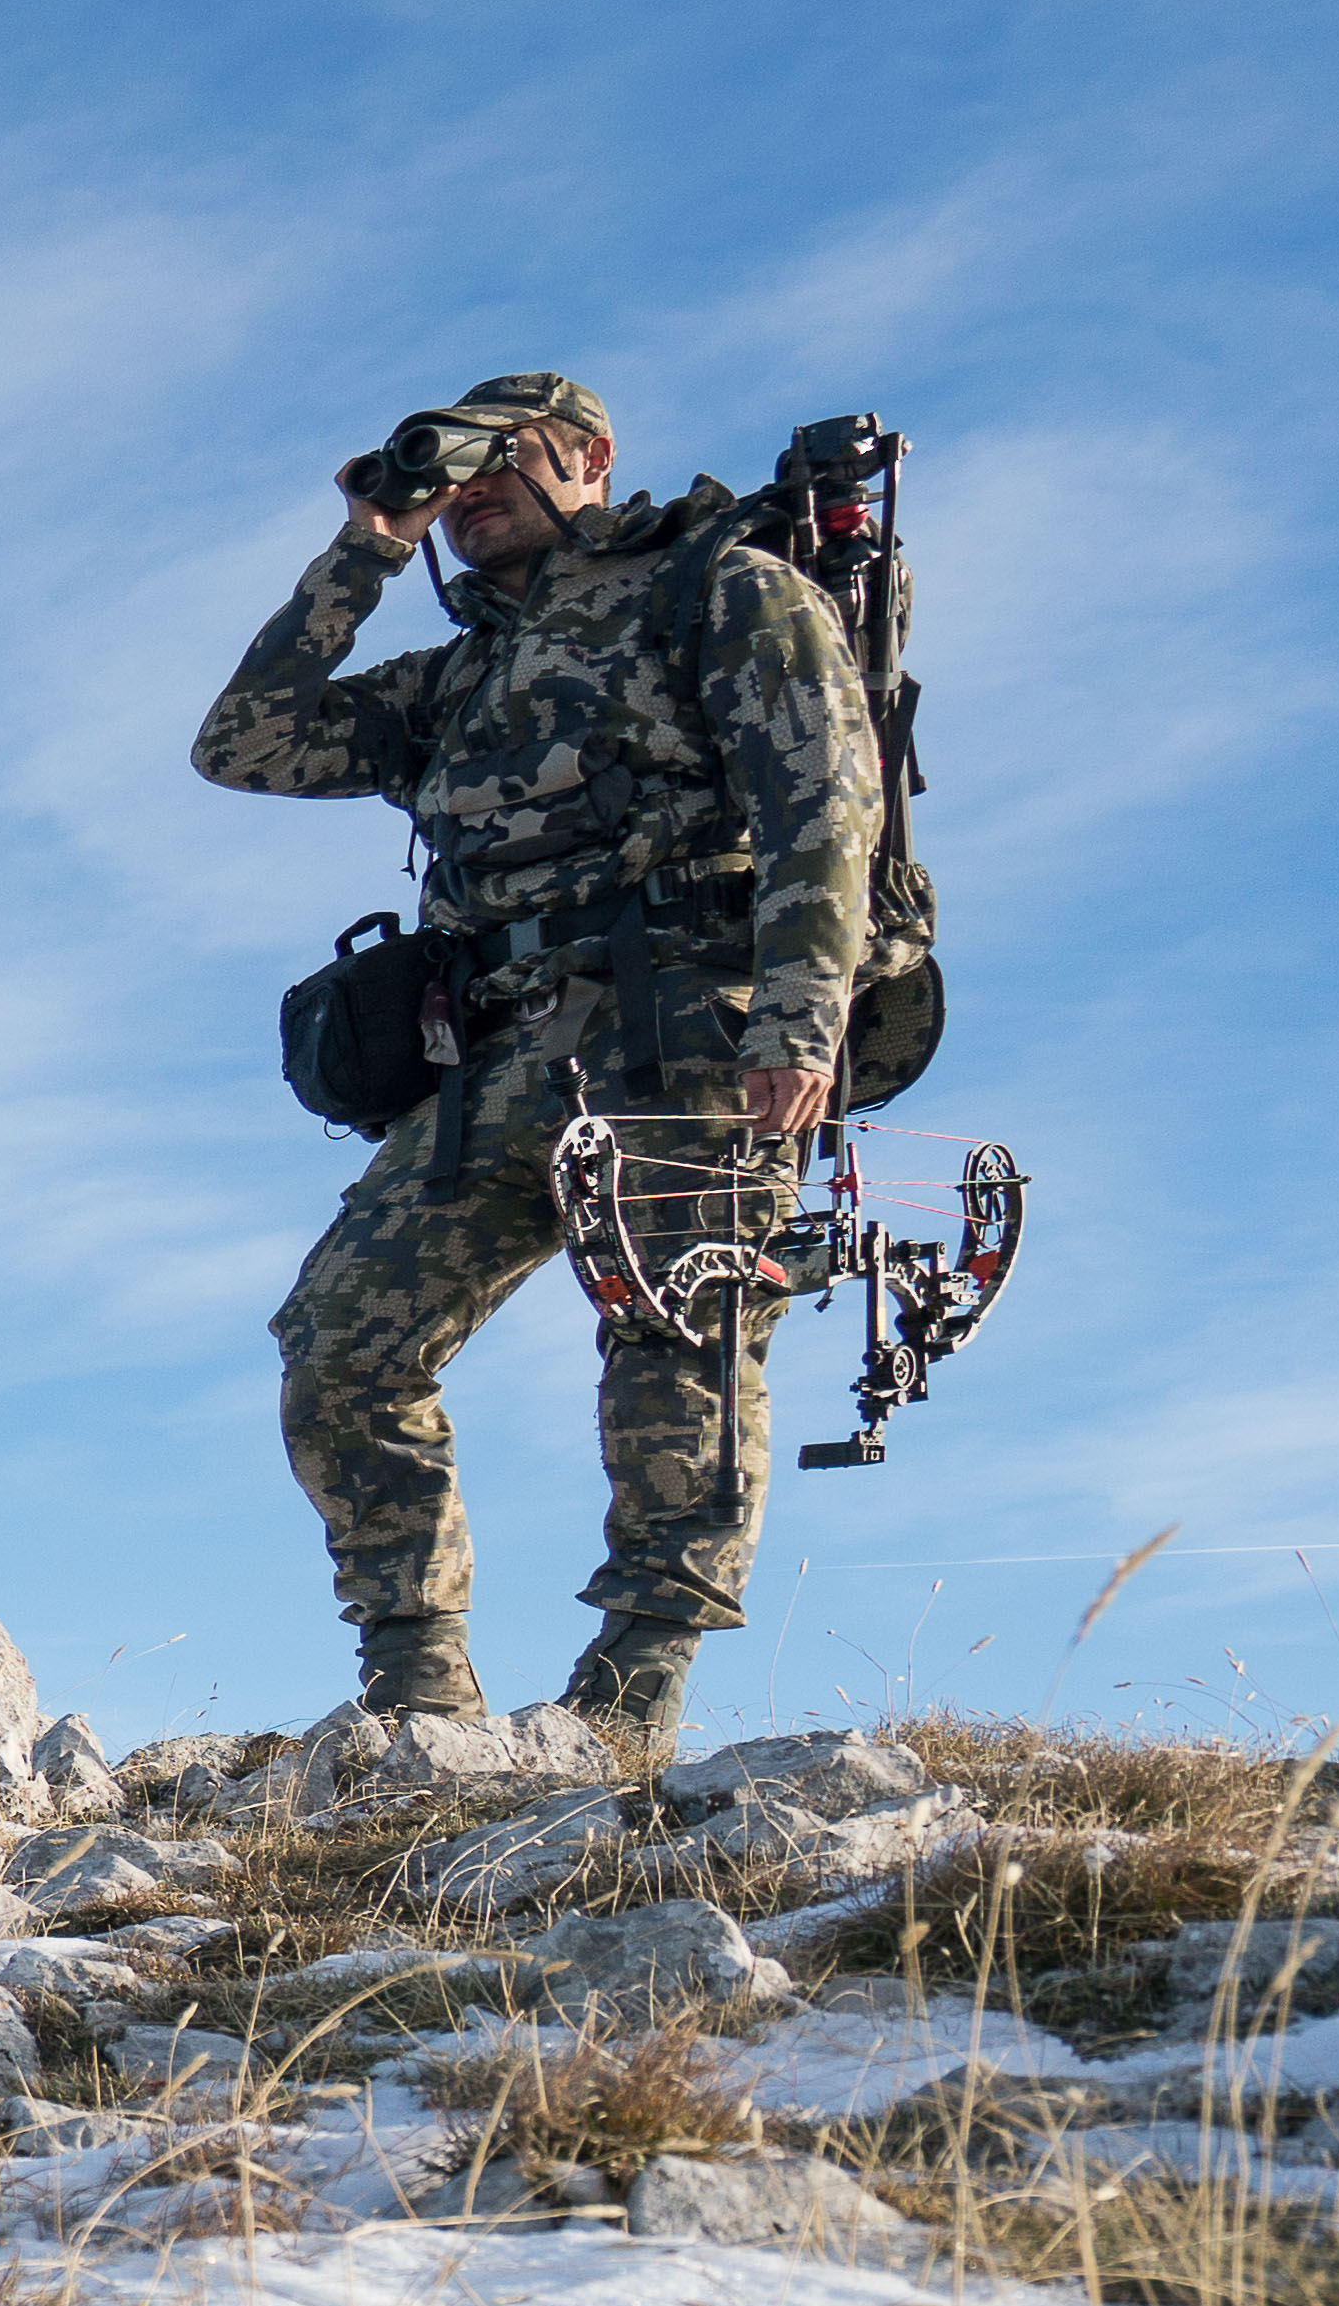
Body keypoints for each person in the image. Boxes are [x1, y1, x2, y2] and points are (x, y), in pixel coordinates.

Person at [193, 372, 880, 1737]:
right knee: (340, 1339)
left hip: (685, 1024)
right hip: (500, 1054)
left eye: (502, 455)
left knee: (678, 1336)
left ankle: (631, 1696)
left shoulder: (712, 590)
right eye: (451, 472)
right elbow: (242, 742)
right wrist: (365, 551)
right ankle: (418, 1689)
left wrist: (800, 1016)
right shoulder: (455, 675)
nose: (472, 490)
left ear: (592, 456)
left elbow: (821, 797)